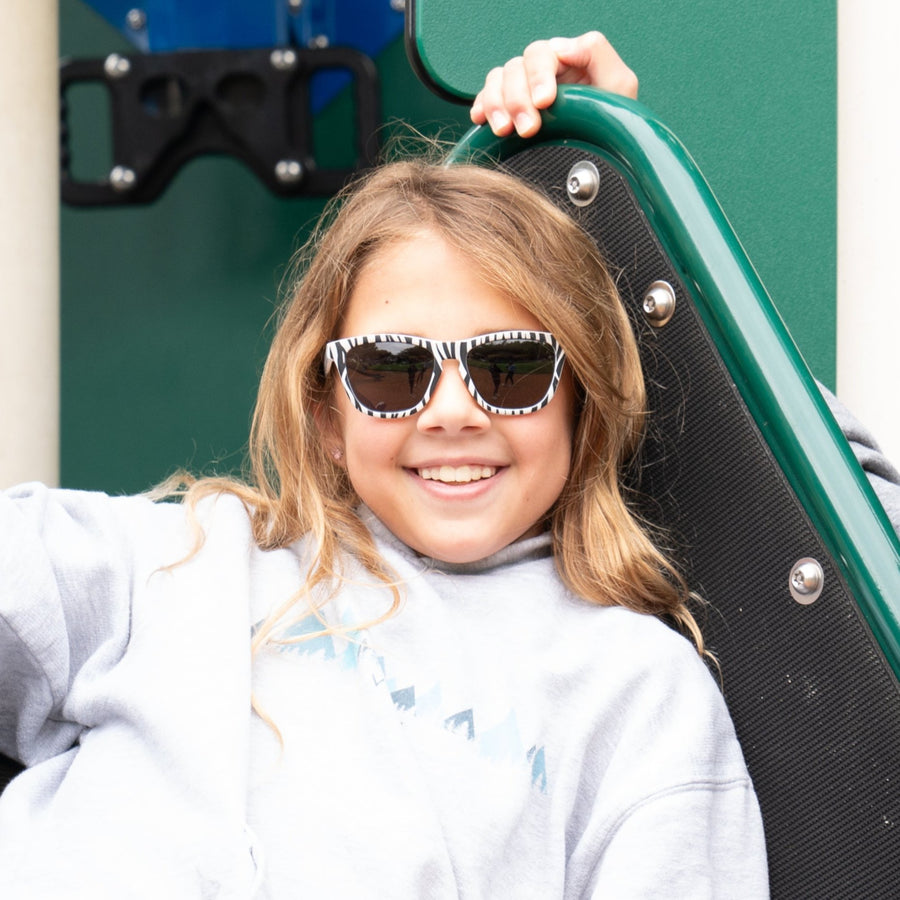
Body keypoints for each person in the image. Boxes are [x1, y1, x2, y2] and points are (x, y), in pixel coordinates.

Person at [0, 33, 787, 900]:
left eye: (512, 367)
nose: (451, 411)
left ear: (581, 402)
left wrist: (627, 206)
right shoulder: (174, 559)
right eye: (390, 370)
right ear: (327, 413)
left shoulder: (634, 692)